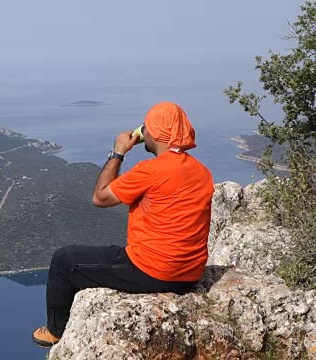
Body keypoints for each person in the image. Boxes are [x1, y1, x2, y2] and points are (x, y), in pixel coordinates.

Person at [32, 102, 215, 348]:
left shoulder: (151, 170)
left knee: (65, 260)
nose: (143, 132)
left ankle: (55, 331)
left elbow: (100, 198)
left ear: (156, 133)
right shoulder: (202, 171)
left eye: (146, 128)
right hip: (189, 274)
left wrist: (118, 152)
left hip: (153, 271)